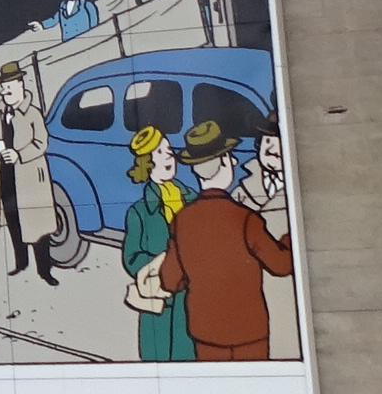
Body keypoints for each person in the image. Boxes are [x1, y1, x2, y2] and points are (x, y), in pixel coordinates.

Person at [156, 121, 293, 361]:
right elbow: (281, 265)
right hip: (249, 328)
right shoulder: (244, 219)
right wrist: (289, 235)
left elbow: (170, 280)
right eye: (229, 158)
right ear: (224, 162)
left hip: (204, 328)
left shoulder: (182, 220)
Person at [118, 124, 194, 360]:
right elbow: (132, 257)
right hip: (158, 301)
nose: (169, 155)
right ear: (146, 162)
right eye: (160, 152)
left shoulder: (192, 199)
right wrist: (158, 264)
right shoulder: (139, 212)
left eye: (169, 150)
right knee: (158, 356)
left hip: (192, 296)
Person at [0, 65, 64, 285]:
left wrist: (19, 154)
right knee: (14, 222)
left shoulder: (32, 113)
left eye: (9, 86)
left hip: (30, 179)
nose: (5, 91)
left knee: (38, 227)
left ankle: (45, 270)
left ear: (20, 85)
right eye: (3, 87)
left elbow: (41, 143)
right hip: (7, 177)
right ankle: (21, 262)